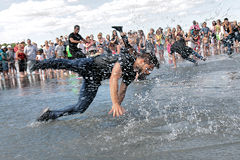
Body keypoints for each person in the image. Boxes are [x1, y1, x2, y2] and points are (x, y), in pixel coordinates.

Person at [32, 48, 159, 121]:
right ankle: (38, 64)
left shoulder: (132, 73)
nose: (149, 71)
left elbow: (123, 90)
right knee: (65, 63)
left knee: (81, 108)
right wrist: (115, 103)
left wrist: (117, 106)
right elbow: (114, 78)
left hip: (94, 79)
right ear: (142, 61)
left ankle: (50, 115)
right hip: (88, 64)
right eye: (149, 68)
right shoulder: (127, 59)